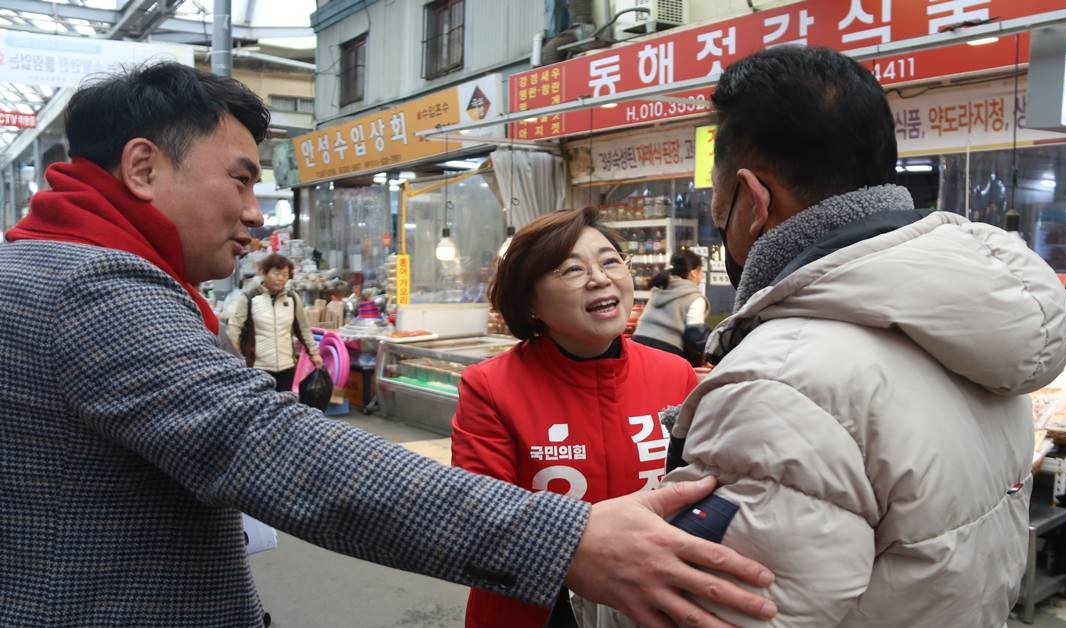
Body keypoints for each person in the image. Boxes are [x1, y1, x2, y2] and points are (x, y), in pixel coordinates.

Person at [0, 63, 779, 627]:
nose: (254, 213)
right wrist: (569, 538)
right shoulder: (89, 288)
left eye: (609, 261)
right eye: (240, 181)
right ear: (142, 166)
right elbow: (266, 443)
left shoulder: (53, 268)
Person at [654, 46, 1066, 626]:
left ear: (754, 201)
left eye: (718, 206)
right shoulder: (980, 328)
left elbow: (732, 614)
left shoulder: (778, 380)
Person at [452, 207, 699, 627]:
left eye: (609, 261)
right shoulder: (490, 387)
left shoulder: (674, 373)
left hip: (650, 606)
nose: (600, 278)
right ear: (530, 301)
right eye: (571, 270)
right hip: (533, 612)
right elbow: (480, 522)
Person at [226, 252, 324, 391]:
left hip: (286, 366)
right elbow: (234, 328)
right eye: (276, 273)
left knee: (283, 406)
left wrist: (314, 353)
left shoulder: (292, 299)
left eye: (285, 275)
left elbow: (303, 328)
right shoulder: (250, 298)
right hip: (258, 367)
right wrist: (233, 358)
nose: (281, 278)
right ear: (265, 273)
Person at [632, 249, 709, 365]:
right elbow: (695, 336)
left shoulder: (660, 288)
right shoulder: (694, 297)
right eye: (701, 271)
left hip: (636, 345)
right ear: (694, 273)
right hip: (667, 351)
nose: (702, 276)